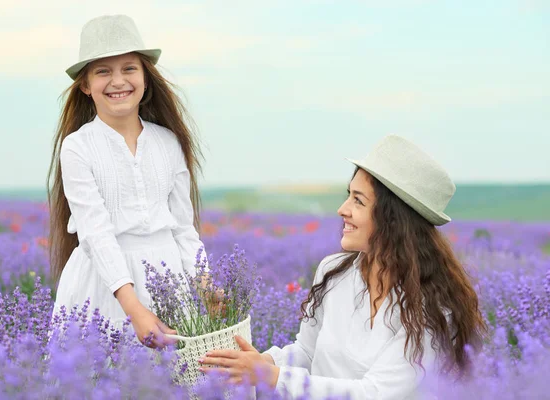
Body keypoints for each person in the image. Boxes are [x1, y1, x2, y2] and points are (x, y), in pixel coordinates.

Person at [199, 135, 487, 399]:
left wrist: (274, 377)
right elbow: (307, 352)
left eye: (358, 201)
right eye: (349, 194)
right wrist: (266, 362)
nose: (342, 209)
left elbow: (375, 394)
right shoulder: (333, 272)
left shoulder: (429, 308)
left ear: (393, 220)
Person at [47, 15, 206, 348]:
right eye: (103, 71)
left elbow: (182, 228)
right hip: (104, 286)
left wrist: (205, 286)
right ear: (85, 85)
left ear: (145, 77)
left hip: (168, 280)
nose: (118, 81)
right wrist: (134, 309)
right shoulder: (78, 146)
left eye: (129, 68)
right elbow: (95, 233)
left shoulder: (169, 141)